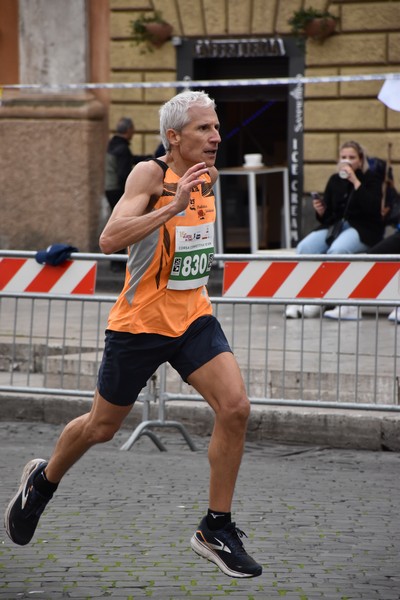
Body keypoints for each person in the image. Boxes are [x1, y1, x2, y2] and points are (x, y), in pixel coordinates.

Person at [5, 91, 262, 580]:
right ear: (174, 136)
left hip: (192, 317)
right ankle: (42, 482)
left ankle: (216, 527)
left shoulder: (209, 174)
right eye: (204, 129)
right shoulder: (149, 173)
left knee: (236, 407)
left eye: (216, 127)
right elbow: (109, 238)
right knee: (102, 427)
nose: (216, 136)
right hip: (139, 324)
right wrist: (172, 205)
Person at [285, 140, 384, 321]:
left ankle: (325, 301)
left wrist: (355, 180)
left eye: (352, 158)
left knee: (337, 250)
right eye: (343, 157)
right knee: (305, 247)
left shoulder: (371, 179)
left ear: (361, 160)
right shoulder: (335, 180)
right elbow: (329, 216)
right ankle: (302, 298)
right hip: (335, 227)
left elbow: (372, 208)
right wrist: (321, 211)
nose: (347, 161)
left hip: (363, 228)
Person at [105, 117, 152, 271]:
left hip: (109, 188)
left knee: (116, 222)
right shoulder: (122, 148)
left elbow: (130, 160)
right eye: (132, 129)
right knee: (123, 224)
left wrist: (147, 158)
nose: (133, 132)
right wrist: (134, 186)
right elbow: (123, 173)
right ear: (128, 130)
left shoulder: (113, 145)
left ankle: (116, 261)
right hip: (118, 189)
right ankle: (118, 262)